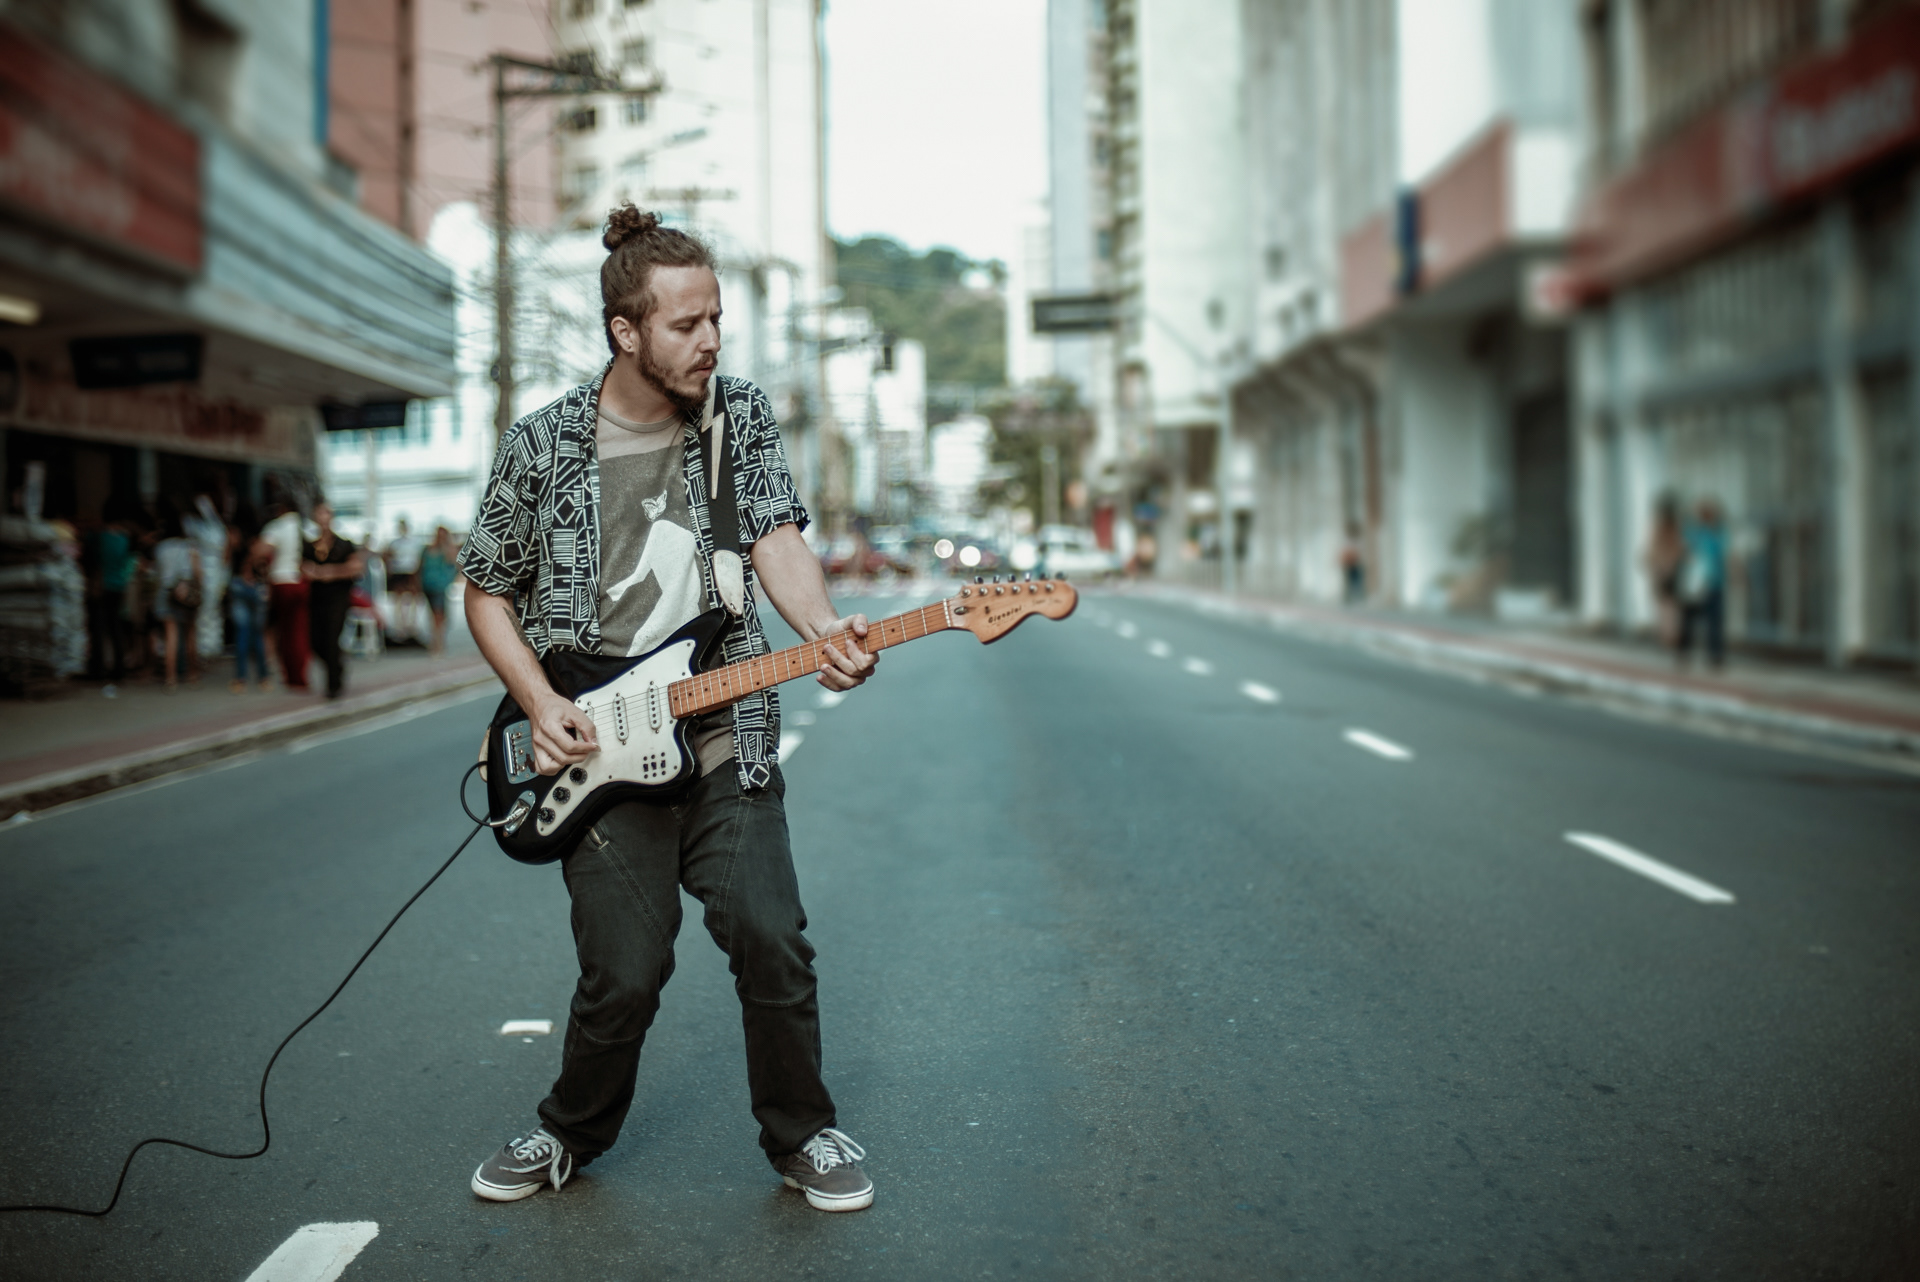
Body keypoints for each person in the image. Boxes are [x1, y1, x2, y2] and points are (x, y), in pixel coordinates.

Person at [461, 205, 879, 1213]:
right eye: (687, 325)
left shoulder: (736, 418)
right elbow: (486, 589)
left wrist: (820, 625)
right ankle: (568, 1130)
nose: (709, 342)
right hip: (599, 746)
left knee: (771, 935)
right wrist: (538, 700)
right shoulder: (543, 444)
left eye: (717, 320)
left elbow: (775, 536)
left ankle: (804, 1131)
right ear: (626, 330)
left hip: (721, 723)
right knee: (626, 971)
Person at [301, 502, 364, 699]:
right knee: (316, 641)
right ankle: (336, 666)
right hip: (317, 598)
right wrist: (314, 573)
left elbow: (356, 568)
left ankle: (333, 685)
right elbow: (303, 567)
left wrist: (331, 573)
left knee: (331, 637)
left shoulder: (343, 544)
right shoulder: (310, 545)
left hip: (338, 597)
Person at [261, 500, 310, 690]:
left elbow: (263, 549)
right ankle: (299, 675)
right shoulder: (307, 526)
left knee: (283, 630)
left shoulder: (277, 527)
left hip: (281, 581)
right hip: (301, 581)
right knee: (299, 631)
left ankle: (288, 673)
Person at [152, 508, 202, 691]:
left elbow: (157, 573)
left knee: (170, 636)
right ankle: (193, 673)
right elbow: (197, 572)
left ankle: (170, 678)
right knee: (189, 634)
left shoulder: (160, 547)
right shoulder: (188, 546)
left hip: (165, 593)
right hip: (185, 592)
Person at [1678, 497, 1728, 670]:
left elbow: (1725, 555)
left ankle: (1715, 656)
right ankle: (1684, 654)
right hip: (1695, 586)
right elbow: (1684, 551)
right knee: (1688, 623)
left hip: (1714, 584)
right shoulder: (1693, 533)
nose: (1707, 516)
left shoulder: (1718, 533)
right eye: (1704, 513)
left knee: (1715, 623)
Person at [184, 492, 232, 666]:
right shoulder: (201, 526)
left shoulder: (214, 528)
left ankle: (208, 649)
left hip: (213, 575)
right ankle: (203, 651)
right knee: (204, 614)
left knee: (210, 613)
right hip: (207, 575)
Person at [1643, 495, 1687, 653]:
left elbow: (1656, 550)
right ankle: (1668, 635)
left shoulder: (1668, 528)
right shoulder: (1668, 527)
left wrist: (1658, 566)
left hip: (1667, 572)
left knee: (1667, 605)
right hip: (1668, 571)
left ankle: (1669, 635)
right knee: (1669, 605)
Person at [229, 532, 271, 691]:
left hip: (250, 590)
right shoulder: (242, 552)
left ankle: (259, 677)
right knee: (244, 637)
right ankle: (244, 678)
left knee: (255, 638)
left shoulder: (258, 558)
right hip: (244, 589)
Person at [419, 525, 458, 656]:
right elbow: (420, 567)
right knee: (433, 615)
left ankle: (438, 643)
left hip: (440, 587)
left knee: (439, 615)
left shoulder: (447, 550)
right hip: (428, 585)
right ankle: (436, 641)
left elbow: (455, 564)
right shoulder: (427, 549)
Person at [385, 517, 425, 644]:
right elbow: (389, 556)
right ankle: (400, 625)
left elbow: (419, 558)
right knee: (399, 599)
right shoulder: (395, 543)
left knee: (413, 598)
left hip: (410, 571)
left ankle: (412, 624)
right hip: (399, 571)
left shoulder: (415, 542)